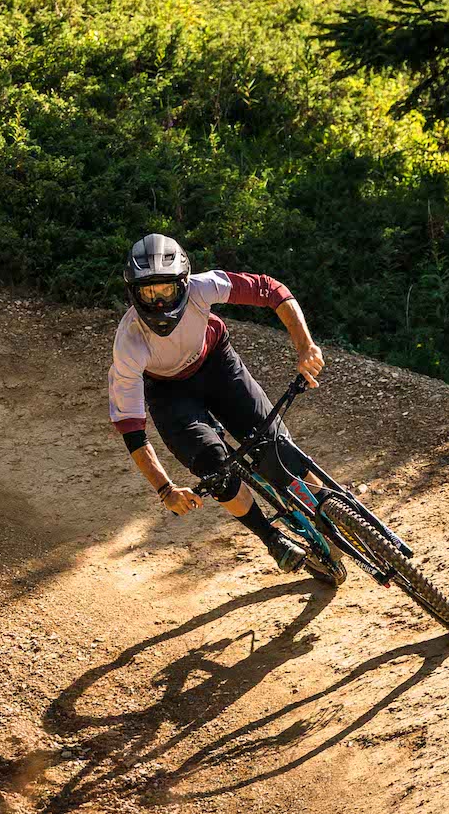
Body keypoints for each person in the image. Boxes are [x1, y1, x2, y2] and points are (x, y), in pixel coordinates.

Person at [107, 233, 326, 572]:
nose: (160, 303)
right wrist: (166, 490)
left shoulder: (203, 286)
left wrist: (305, 346)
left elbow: (271, 290)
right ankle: (270, 537)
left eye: (166, 290)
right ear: (133, 293)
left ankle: (332, 513)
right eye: (149, 292)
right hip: (169, 392)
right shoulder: (128, 343)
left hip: (216, 364)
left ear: (183, 282)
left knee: (276, 448)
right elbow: (132, 428)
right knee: (214, 467)